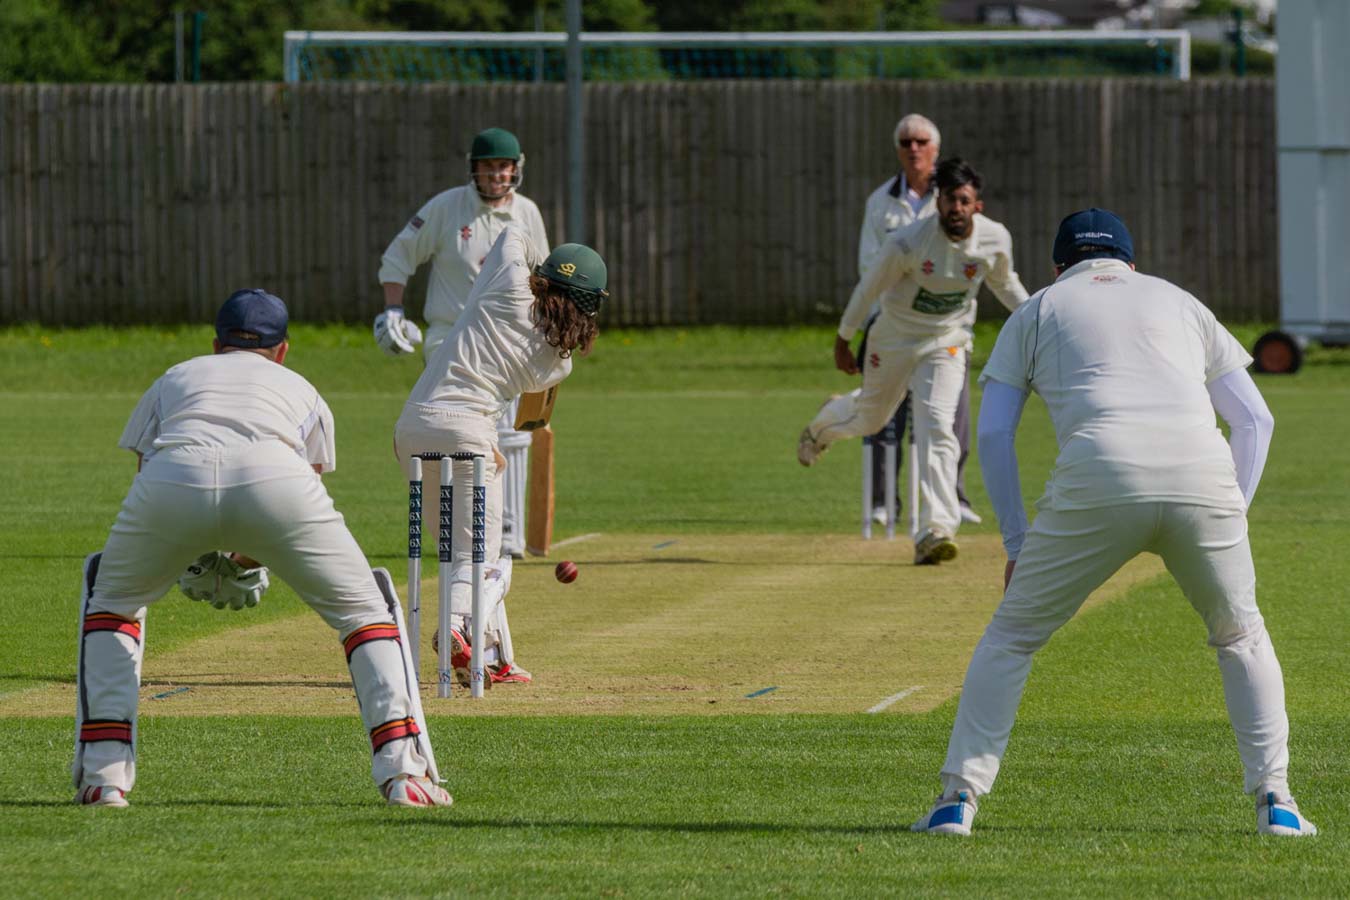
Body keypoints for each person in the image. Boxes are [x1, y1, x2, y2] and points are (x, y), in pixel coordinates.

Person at [911, 209, 1317, 837]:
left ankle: (955, 802)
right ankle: (1278, 804)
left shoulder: (1039, 308)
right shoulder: (1179, 299)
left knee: (1012, 638)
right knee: (1241, 637)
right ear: (1131, 261)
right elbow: (1255, 422)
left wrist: (1016, 540)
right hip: (1201, 474)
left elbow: (992, 432)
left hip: (1096, 476)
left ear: (1057, 266)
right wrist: (1231, 507)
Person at [73, 289, 449, 809]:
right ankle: (403, 775)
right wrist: (244, 558)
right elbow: (298, 500)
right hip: (277, 480)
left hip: (173, 483)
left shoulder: (176, 376)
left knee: (111, 602)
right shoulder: (303, 388)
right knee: (365, 612)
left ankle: (103, 777)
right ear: (282, 350)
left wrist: (195, 556)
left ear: (215, 344)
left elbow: (148, 476)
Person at [394, 226, 608, 687]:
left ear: (543, 279)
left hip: (411, 428)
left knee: (459, 556)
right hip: (467, 433)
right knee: (487, 562)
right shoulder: (558, 363)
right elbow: (529, 410)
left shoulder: (506, 283)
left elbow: (513, 232)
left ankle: (491, 656)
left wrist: (543, 264)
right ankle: (455, 627)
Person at [798, 158, 1028, 564]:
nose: (955, 208)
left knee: (938, 426)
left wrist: (1036, 322)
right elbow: (869, 290)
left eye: (963, 200)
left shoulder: (995, 240)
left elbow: (1006, 284)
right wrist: (843, 339)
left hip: (947, 340)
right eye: (947, 200)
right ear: (936, 203)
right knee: (871, 419)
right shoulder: (908, 241)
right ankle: (822, 426)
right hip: (895, 339)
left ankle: (935, 529)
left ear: (978, 205)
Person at [374, 126, 550, 558]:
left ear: (516, 169)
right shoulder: (447, 208)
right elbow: (398, 256)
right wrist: (393, 310)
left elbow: (544, 278)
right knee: (461, 434)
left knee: (511, 436)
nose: (496, 176)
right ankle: (461, 530)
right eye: (488, 167)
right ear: (474, 169)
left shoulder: (527, 213)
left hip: (507, 341)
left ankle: (506, 534)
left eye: (503, 168)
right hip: (448, 340)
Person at [856, 114, 981, 526]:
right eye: (906, 142)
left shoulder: (953, 199)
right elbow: (870, 266)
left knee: (947, 416)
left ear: (935, 148)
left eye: (921, 141)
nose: (914, 148)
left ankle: (955, 498)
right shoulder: (880, 202)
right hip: (893, 324)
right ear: (898, 149)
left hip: (946, 326)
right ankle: (882, 502)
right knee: (884, 412)